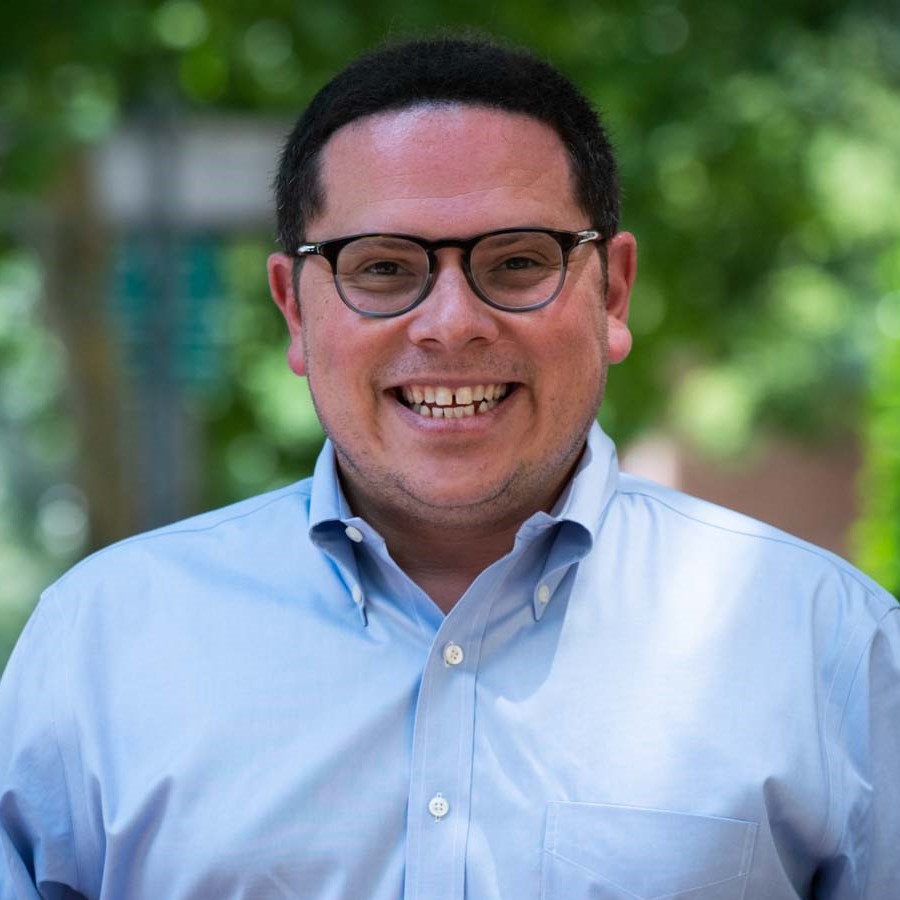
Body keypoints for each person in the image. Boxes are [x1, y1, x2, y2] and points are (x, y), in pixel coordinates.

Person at [1, 36, 898, 900]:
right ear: (295, 312)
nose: (451, 323)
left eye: (516, 262)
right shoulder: (102, 644)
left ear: (613, 293)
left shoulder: (829, 649)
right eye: (384, 268)